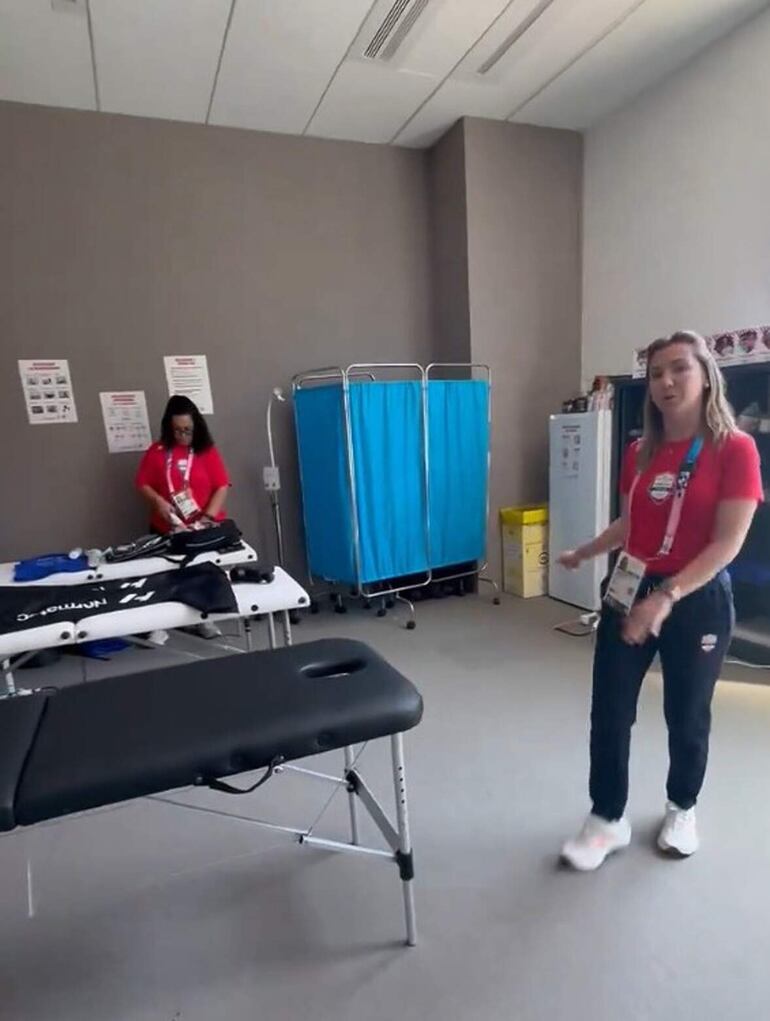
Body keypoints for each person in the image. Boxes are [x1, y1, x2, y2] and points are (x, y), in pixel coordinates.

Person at [558, 330, 762, 871]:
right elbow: (632, 522)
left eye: (679, 369)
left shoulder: (735, 449)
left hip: (696, 596)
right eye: (655, 374)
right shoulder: (638, 451)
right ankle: (606, 817)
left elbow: (728, 542)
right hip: (631, 586)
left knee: (686, 712)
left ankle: (682, 807)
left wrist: (668, 596)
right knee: (610, 708)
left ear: (705, 375)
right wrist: (586, 551)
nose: (666, 382)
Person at [135, 395, 231, 638]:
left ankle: (203, 618)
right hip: (167, 526)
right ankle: (164, 621)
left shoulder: (205, 451)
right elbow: (142, 483)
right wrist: (157, 501)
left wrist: (209, 516)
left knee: (202, 573)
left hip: (202, 526)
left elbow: (222, 485)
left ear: (196, 426)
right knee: (166, 575)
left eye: (187, 430)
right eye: (177, 430)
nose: (182, 435)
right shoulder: (157, 451)